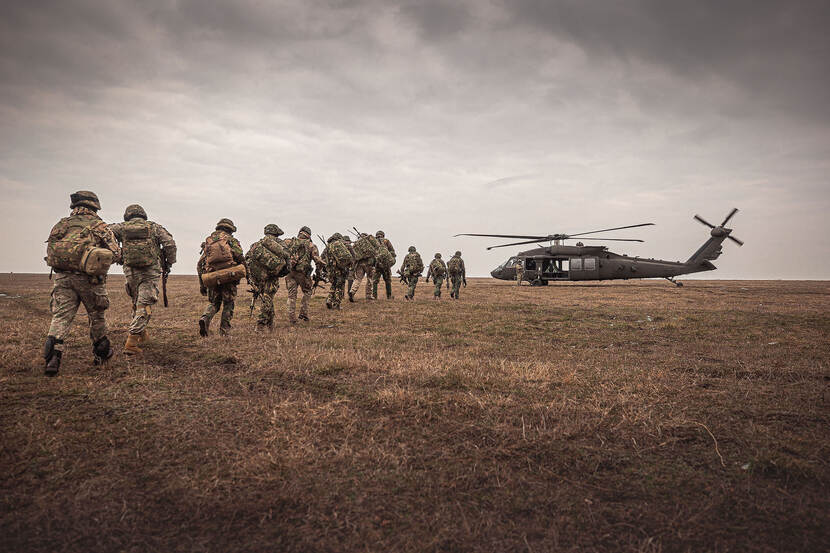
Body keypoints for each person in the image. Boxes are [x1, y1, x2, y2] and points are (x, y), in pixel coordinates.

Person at [43, 191, 121, 375]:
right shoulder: (99, 226)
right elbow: (116, 253)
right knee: (96, 315)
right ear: (95, 206)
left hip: (62, 278)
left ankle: (53, 357)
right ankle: (102, 352)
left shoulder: (61, 225)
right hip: (90, 280)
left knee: (61, 317)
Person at [109, 204, 177, 355]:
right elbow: (170, 244)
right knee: (144, 305)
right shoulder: (154, 227)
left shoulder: (121, 227)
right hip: (150, 271)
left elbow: (105, 234)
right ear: (143, 214)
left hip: (130, 270)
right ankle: (132, 342)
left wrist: (117, 254)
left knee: (136, 302)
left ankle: (142, 334)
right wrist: (169, 262)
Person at [198, 218, 245, 337]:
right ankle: (224, 331)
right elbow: (240, 256)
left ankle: (205, 318)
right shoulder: (231, 240)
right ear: (230, 229)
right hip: (229, 276)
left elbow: (200, 263)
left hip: (212, 277)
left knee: (214, 303)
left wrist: (202, 283)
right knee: (228, 303)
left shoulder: (209, 242)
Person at [245, 224, 288, 331]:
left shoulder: (257, 243)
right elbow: (287, 258)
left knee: (267, 299)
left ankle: (270, 325)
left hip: (258, 276)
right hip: (271, 276)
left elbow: (247, 258)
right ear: (276, 233)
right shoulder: (279, 243)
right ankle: (260, 325)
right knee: (267, 299)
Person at [284, 226, 325, 323]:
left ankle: (291, 317)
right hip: (302, 274)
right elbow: (317, 261)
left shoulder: (290, 242)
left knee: (291, 295)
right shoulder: (311, 245)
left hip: (290, 273)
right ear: (309, 235)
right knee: (307, 291)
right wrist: (318, 273)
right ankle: (303, 313)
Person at [322, 233, 352, 309]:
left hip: (330, 270)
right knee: (340, 286)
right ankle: (336, 304)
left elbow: (322, 257)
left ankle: (329, 300)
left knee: (334, 285)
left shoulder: (328, 246)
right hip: (339, 269)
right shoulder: (339, 244)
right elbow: (349, 256)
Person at [349, 233, 375, 302]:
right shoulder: (369, 243)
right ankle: (369, 295)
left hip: (359, 263)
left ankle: (352, 291)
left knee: (358, 279)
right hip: (368, 263)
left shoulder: (356, 244)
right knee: (370, 279)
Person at [371, 230, 396, 300]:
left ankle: (374, 296)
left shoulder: (374, 242)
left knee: (375, 281)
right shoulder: (386, 241)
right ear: (383, 235)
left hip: (377, 264)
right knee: (388, 280)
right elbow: (392, 252)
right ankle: (389, 296)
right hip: (386, 265)